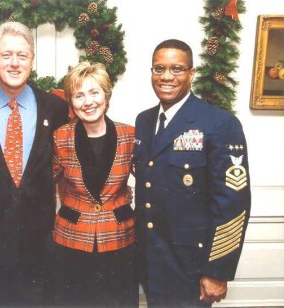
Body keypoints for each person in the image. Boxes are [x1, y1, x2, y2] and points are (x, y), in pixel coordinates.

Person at [133, 39, 251, 307]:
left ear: (191, 73)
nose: (166, 77)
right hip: (151, 261)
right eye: (159, 68)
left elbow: (233, 205)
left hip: (191, 267)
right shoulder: (144, 120)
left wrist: (217, 271)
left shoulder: (219, 123)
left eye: (177, 69)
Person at [0, 21, 69, 307]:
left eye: (22, 55)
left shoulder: (55, 108)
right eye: (6, 55)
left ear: (32, 61)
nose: (14, 63)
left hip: (41, 242)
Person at [52, 61, 138, 307]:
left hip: (119, 239)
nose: (87, 102)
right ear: (71, 102)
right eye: (79, 95)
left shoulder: (130, 135)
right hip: (71, 240)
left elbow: (152, 179)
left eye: (94, 92)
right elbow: (44, 179)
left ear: (106, 96)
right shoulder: (61, 137)